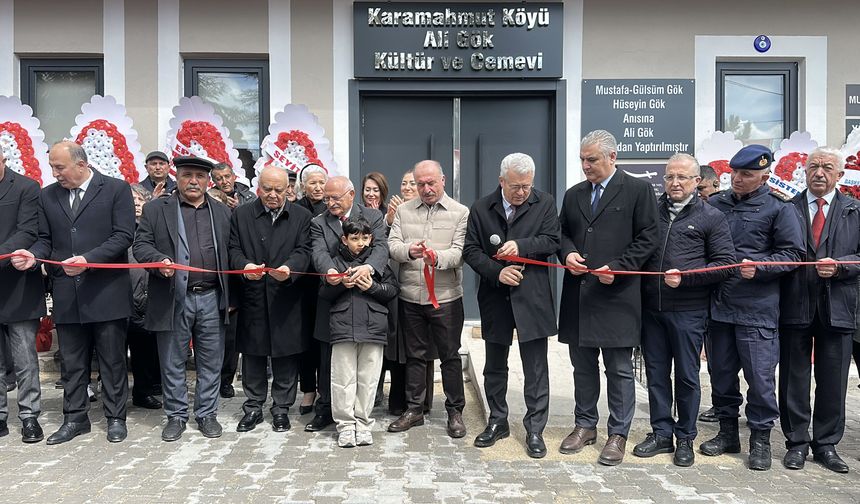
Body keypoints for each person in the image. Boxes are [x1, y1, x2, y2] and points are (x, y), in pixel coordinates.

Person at [12, 141, 135, 445]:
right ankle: (75, 418)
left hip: (106, 292)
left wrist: (88, 260)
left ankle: (116, 418)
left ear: (81, 165)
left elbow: (124, 236)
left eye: (59, 167)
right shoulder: (48, 195)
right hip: (68, 294)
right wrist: (32, 256)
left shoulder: (116, 189)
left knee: (112, 360)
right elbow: (45, 240)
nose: (55, 173)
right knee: (72, 362)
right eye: (52, 166)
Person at [557, 130, 659, 466]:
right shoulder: (573, 195)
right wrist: (568, 254)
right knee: (582, 367)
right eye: (583, 160)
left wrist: (618, 267)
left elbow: (648, 237)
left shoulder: (638, 190)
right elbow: (563, 233)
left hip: (617, 295)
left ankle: (618, 433)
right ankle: (585, 425)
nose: (586, 165)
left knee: (618, 369)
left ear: (612, 158)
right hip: (580, 296)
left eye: (592, 159)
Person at [701, 144, 804, 471]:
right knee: (721, 376)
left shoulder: (779, 209)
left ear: (765, 176)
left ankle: (760, 439)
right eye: (734, 173)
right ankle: (727, 433)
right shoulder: (715, 204)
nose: (738, 179)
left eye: (746, 174)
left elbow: (793, 255)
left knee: (760, 381)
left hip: (757, 309)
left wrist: (760, 266)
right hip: (719, 307)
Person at [631, 153, 735, 467]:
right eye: (669, 177)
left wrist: (687, 278)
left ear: (695, 182)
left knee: (688, 377)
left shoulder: (710, 216)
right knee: (656, 375)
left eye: (682, 178)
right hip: (652, 309)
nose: (675, 183)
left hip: (689, 311)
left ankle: (685, 437)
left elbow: (726, 264)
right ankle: (661, 433)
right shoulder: (650, 212)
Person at [463, 153, 560, 458]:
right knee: (494, 365)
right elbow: (471, 250)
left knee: (535, 367)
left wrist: (522, 246)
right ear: (501, 181)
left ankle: (534, 429)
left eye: (527, 187)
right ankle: (498, 420)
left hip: (533, 297)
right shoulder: (481, 207)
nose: (521, 192)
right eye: (515, 186)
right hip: (496, 298)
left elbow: (552, 241)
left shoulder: (544, 203)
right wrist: (497, 271)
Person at [132, 155, 232, 442]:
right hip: (173, 296)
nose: (193, 181)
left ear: (207, 181)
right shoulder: (156, 209)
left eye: (199, 177)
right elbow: (141, 246)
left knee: (211, 360)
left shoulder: (222, 212)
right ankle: (175, 415)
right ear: (177, 176)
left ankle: (206, 413)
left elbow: (231, 252)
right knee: (173, 359)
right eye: (187, 175)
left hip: (212, 297)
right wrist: (158, 261)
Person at [778, 148, 860, 473]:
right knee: (793, 378)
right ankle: (796, 442)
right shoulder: (788, 209)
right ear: (805, 172)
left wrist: (841, 266)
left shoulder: (855, 210)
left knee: (833, 380)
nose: (819, 173)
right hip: (795, 304)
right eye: (813, 167)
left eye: (827, 167)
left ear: (839, 175)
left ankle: (826, 444)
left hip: (838, 306)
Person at [388, 160, 470, 439]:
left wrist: (439, 257)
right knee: (415, 355)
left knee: (449, 356)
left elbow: (460, 252)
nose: (425, 188)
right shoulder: (403, 210)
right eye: (420, 183)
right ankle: (414, 409)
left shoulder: (460, 212)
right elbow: (392, 245)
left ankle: (455, 410)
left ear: (443, 180)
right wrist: (409, 251)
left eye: (431, 182)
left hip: (446, 297)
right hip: (410, 295)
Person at [228, 166, 313, 433]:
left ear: (288, 189)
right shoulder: (242, 214)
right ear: (258, 188)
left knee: (285, 356)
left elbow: (305, 249)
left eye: (279, 189)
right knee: (253, 353)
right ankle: (253, 406)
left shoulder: (301, 215)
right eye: (267, 189)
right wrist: (245, 266)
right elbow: (233, 248)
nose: (273, 195)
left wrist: (290, 268)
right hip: (253, 294)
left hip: (286, 296)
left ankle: (281, 409)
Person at [307, 176, 389, 432]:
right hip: (333, 296)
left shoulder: (373, 216)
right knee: (329, 358)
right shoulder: (318, 222)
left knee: (365, 363)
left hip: (367, 299)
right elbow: (318, 252)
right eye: (327, 198)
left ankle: (361, 414)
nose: (330, 203)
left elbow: (382, 247)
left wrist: (369, 268)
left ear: (351, 195)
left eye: (335, 198)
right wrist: (330, 272)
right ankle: (327, 409)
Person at [320, 216, 399, 448]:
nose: (360, 243)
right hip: (343, 329)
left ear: (371, 238)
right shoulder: (334, 263)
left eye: (365, 238)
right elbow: (323, 293)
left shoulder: (378, 262)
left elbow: (393, 290)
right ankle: (345, 426)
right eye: (355, 238)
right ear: (344, 239)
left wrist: (372, 287)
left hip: (373, 328)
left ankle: (364, 424)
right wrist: (337, 284)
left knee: (368, 379)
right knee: (342, 379)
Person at [378, 168, 435, 416]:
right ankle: (399, 398)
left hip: (422, 285)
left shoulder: (427, 211)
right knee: (397, 346)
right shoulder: (396, 213)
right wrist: (389, 221)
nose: (408, 187)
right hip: (396, 286)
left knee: (421, 346)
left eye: (414, 183)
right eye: (404, 183)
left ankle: (422, 401)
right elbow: (383, 244)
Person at [0, 149, 46, 443]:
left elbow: (28, 231)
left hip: (17, 285)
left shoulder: (27, 187)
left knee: (25, 358)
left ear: (2, 159)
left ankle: (29, 416)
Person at [210, 163, 255, 400]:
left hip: (237, 274)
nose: (224, 181)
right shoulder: (210, 198)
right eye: (219, 178)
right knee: (212, 335)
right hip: (214, 272)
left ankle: (226, 379)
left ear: (234, 176)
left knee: (231, 336)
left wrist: (240, 209)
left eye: (227, 176)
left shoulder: (247, 197)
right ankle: (210, 381)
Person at [295, 163, 328, 415]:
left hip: (327, 285)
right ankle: (308, 390)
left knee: (325, 342)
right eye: (313, 183)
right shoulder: (296, 210)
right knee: (305, 341)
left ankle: (326, 392)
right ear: (303, 185)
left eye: (321, 182)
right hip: (302, 286)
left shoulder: (332, 208)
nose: (318, 187)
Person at [128, 184, 162, 410]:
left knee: (143, 352)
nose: (136, 203)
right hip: (120, 298)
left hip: (146, 298)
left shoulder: (154, 228)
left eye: (139, 199)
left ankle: (143, 392)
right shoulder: (118, 227)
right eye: (131, 200)